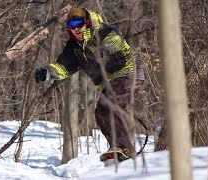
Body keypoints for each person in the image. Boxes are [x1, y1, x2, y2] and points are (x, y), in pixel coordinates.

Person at [35, 7, 145, 161]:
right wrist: (47, 72)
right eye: (72, 26)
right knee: (100, 113)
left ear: (87, 22)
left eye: (79, 23)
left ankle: (125, 148)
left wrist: (101, 51)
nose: (76, 29)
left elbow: (115, 41)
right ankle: (118, 149)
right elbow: (63, 66)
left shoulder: (104, 31)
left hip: (129, 72)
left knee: (107, 106)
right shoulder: (74, 47)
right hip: (110, 82)